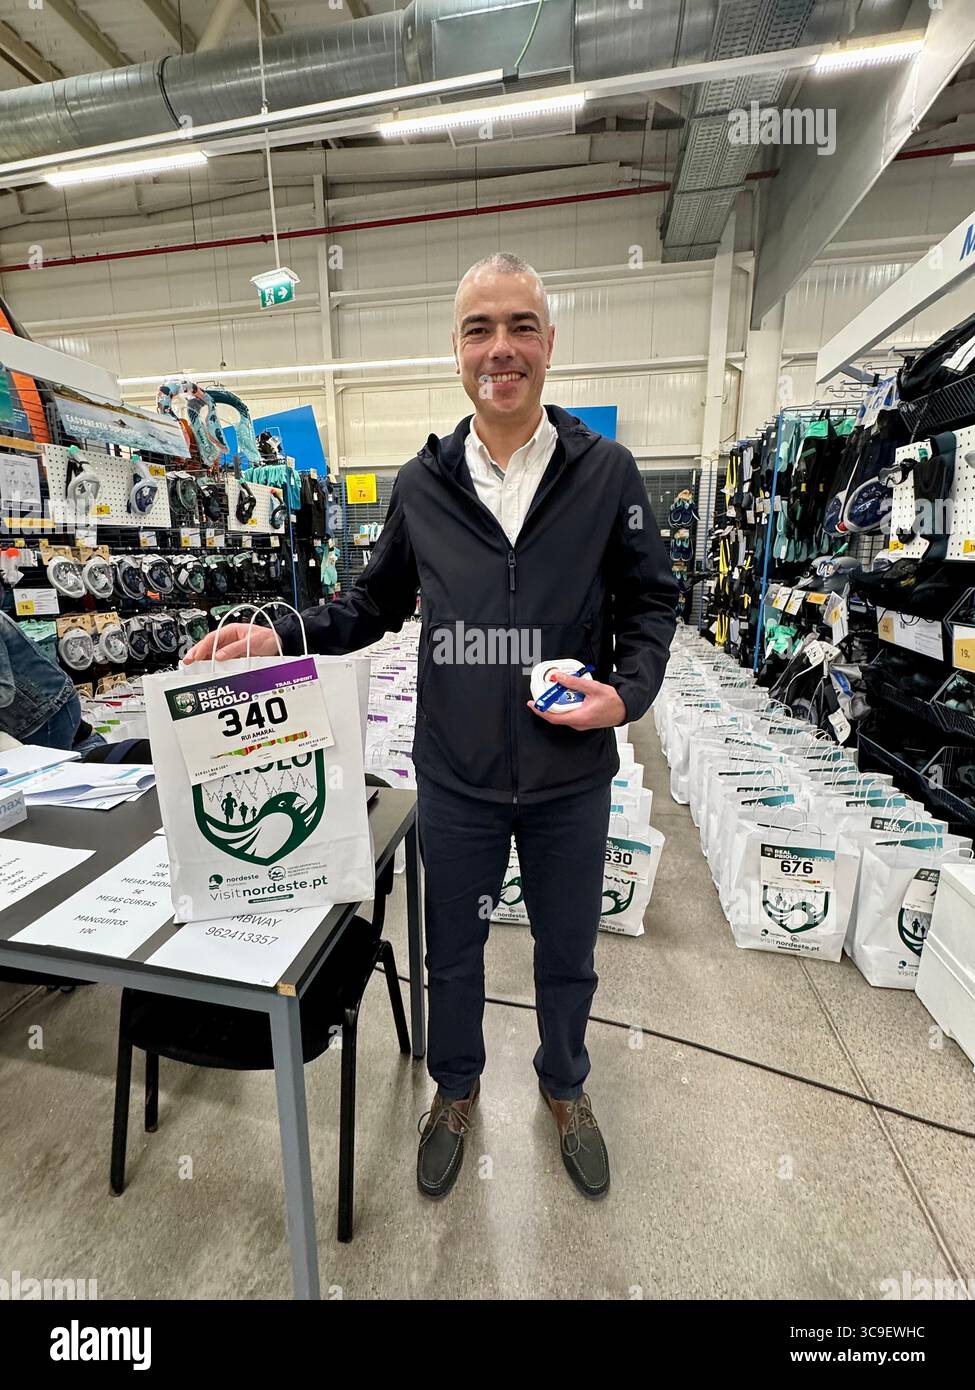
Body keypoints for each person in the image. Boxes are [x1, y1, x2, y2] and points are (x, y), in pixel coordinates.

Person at [185, 253, 677, 1202]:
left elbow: (654, 600)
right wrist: (277, 631)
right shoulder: (422, 484)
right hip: (453, 775)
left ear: (548, 343)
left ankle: (564, 1085)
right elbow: (370, 602)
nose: (502, 348)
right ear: (456, 351)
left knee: (567, 951)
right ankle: (455, 1090)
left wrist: (627, 692)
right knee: (449, 953)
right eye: (479, 329)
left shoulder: (605, 471)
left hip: (570, 771)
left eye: (520, 326)